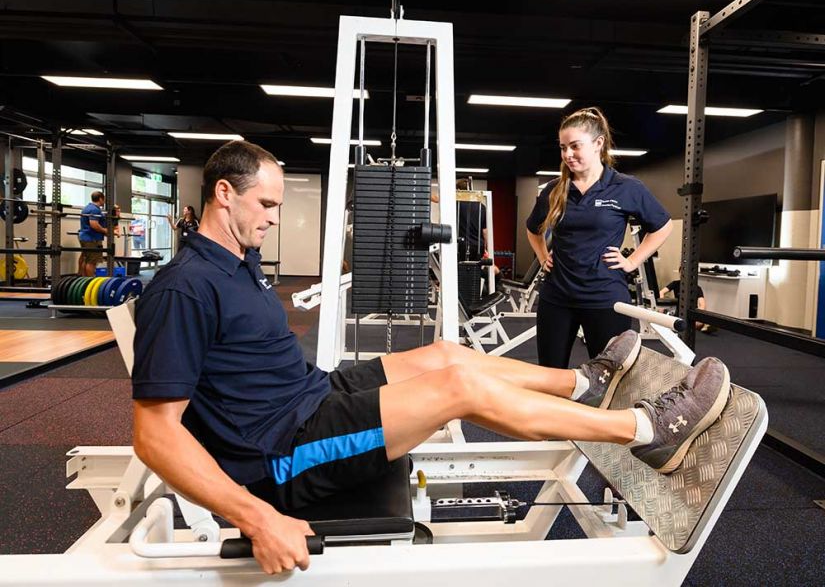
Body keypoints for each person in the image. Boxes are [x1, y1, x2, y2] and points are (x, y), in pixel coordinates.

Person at [132, 140, 729, 575]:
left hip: (311, 397)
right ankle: (646, 429)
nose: (273, 216)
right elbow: (155, 436)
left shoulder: (236, 265)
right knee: (456, 393)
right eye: (266, 204)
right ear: (224, 193)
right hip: (284, 458)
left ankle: (580, 383)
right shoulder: (185, 288)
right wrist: (258, 518)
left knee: (447, 354)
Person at [526, 107, 673, 368]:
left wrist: (632, 262)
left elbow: (662, 226)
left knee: (608, 376)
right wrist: (542, 255)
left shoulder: (626, 187)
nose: (567, 155)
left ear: (598, 144)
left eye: (575, 146)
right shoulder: (554, 189)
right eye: (563, 147)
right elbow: (533, 229)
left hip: (605, 297)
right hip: (557, 297)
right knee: (549, 374)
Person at [77, 191, 108, 276]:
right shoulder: (94, 209)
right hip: (91, 239)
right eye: (104, 199)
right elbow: (94, 225)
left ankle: (84, 280)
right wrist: (105, 231)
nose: (104, 201)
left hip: (85, 237)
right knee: (92, 262)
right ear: (100, 199)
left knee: (86, 259)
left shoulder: (87, 207)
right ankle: (90, 281)